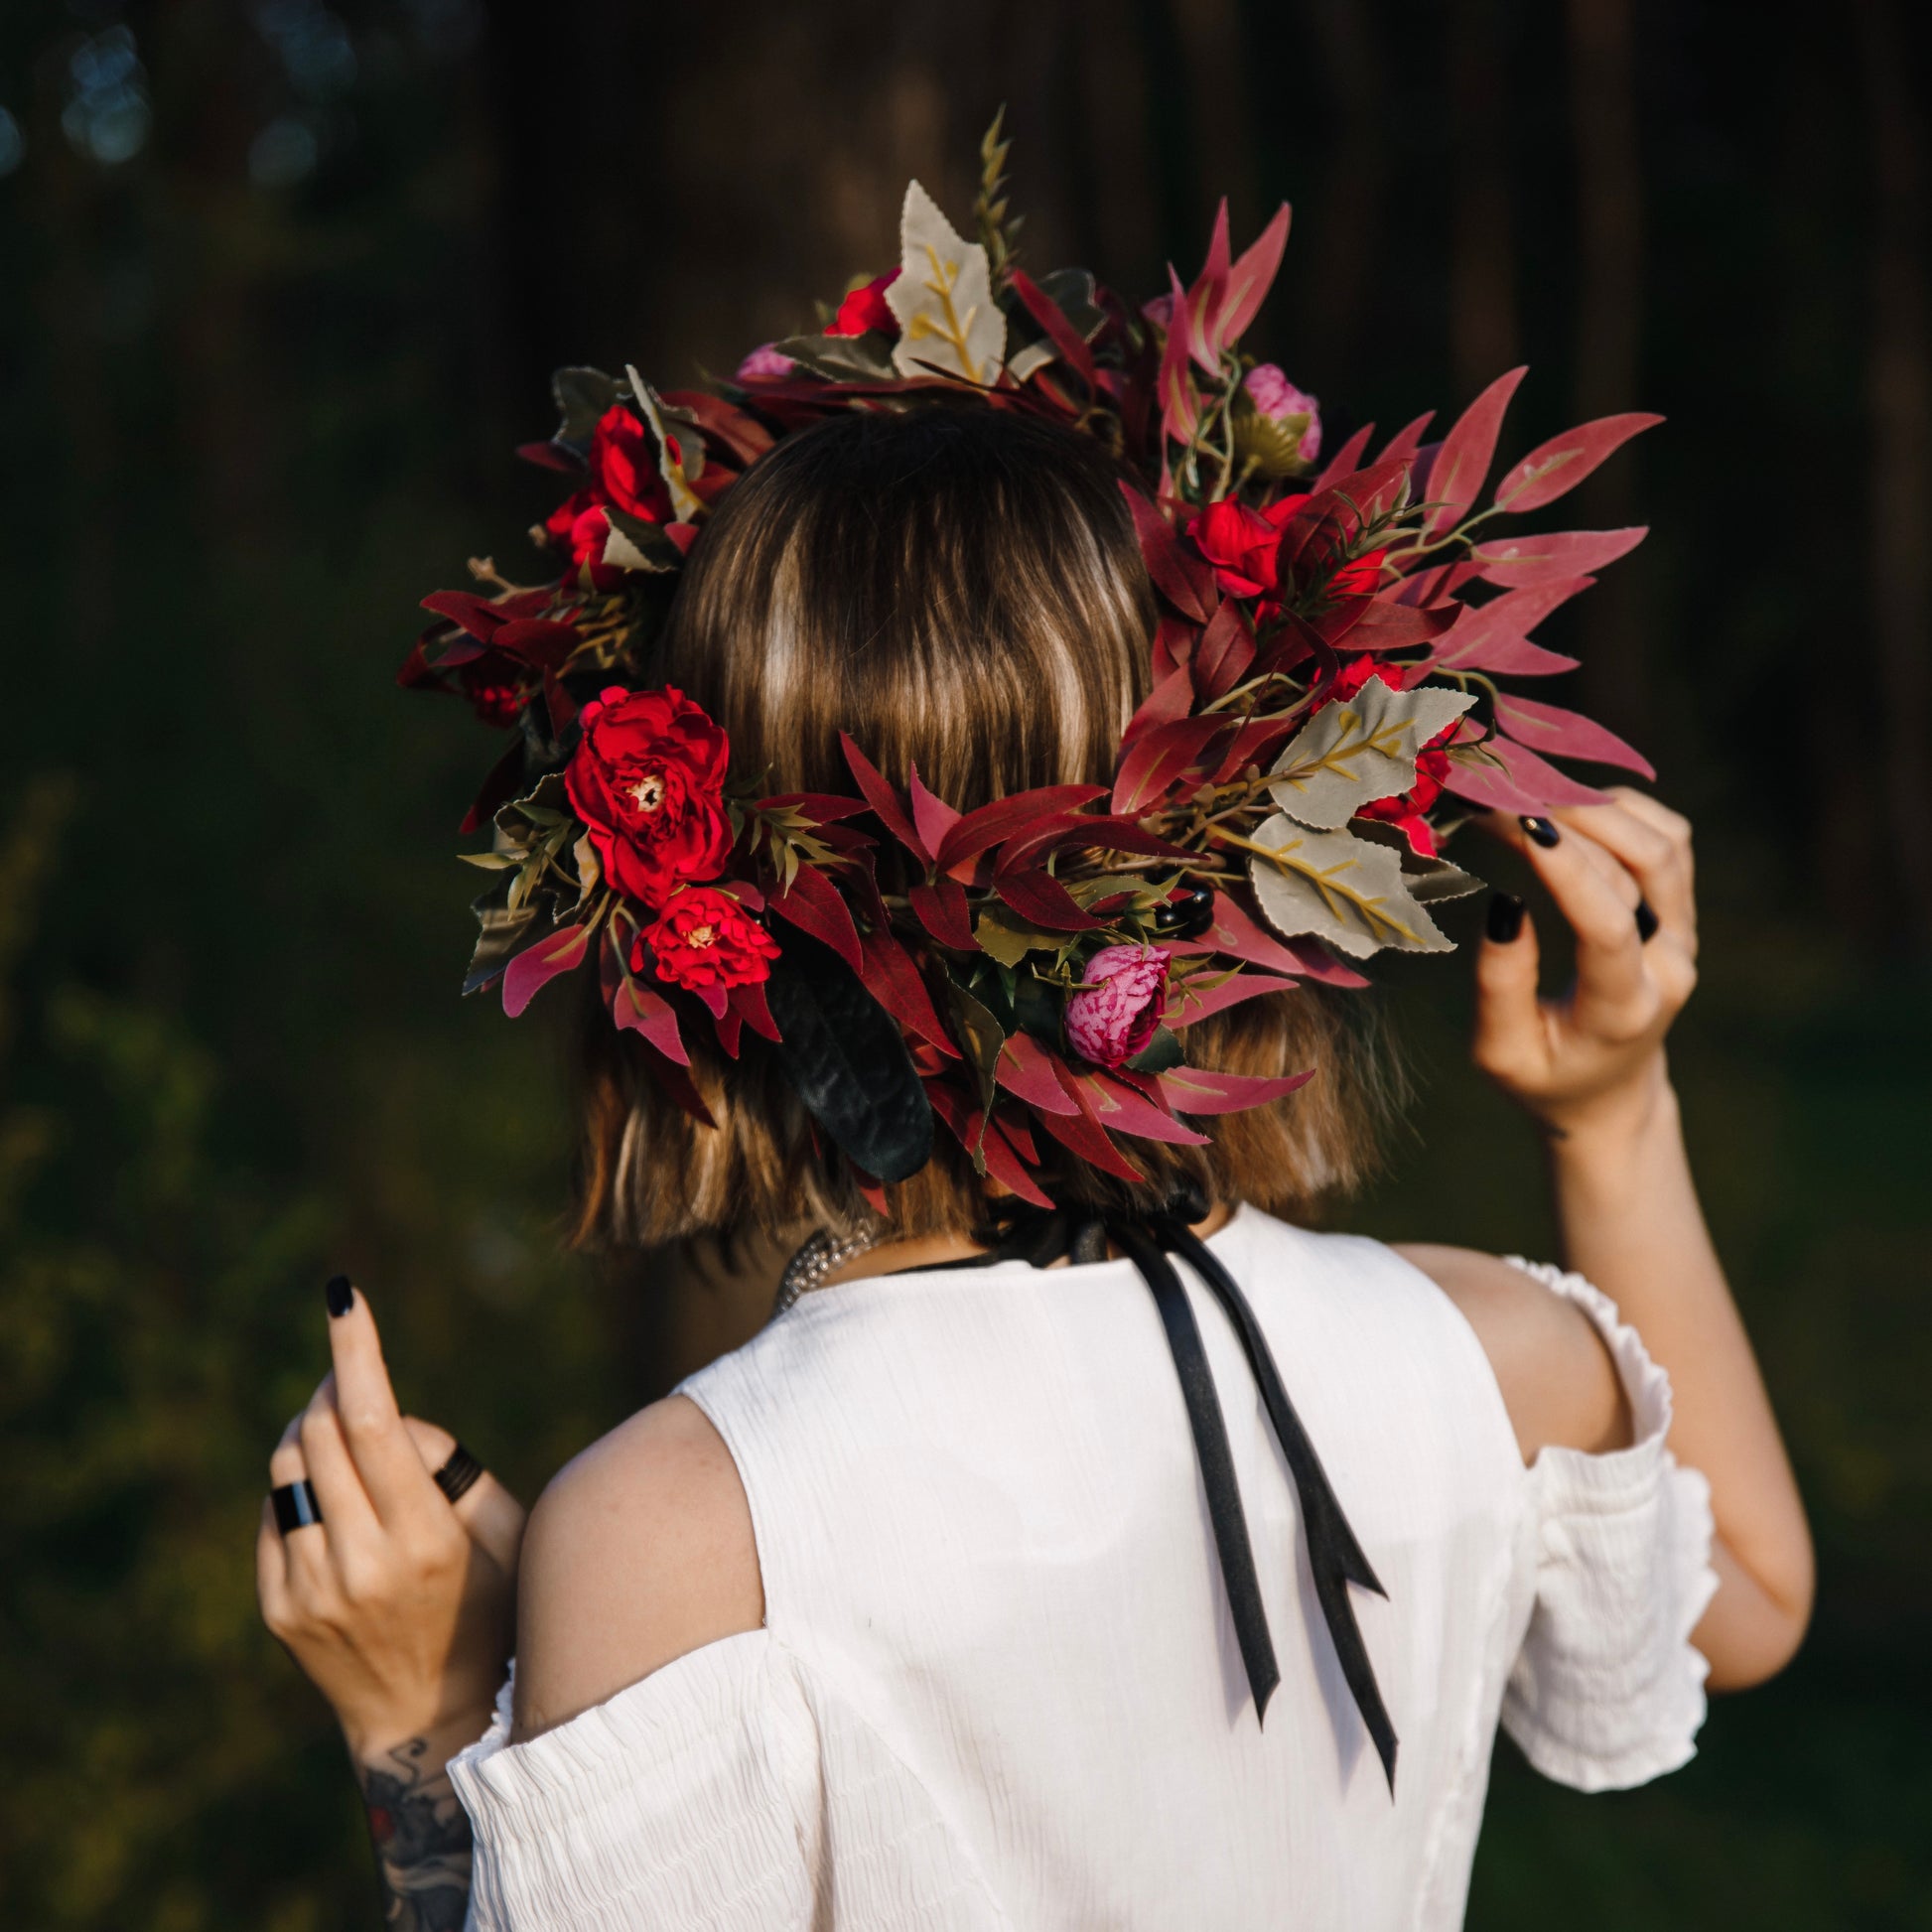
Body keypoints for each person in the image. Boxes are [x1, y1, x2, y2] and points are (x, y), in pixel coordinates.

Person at [257, 403, 1811, 1931]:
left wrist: (430, 1721)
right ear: (1251, 835)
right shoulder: (1490, 1361)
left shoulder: (676, 1531)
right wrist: (1612, 1112)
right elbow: (1747, 1591)